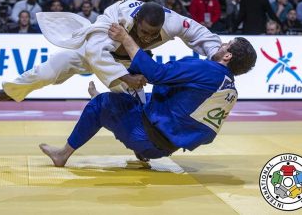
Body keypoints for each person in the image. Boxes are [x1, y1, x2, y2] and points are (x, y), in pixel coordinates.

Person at [39, 22, 257, 166]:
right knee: (144, 94)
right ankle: (140, 147)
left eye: (226, 44)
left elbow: (155, 73)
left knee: (101, 105)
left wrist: (126, 38)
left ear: (227, 56)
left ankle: (62, 155)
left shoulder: (207, 70)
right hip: (165, 148)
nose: (221, 43)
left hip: (145, 138)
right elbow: (200, 128)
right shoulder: (229, 89)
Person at [0, 0, 221, 104]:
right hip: (93, 53)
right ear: (136, 19)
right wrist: (126, 78)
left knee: (137, 105)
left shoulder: (173, 22)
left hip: (128, 63)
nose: (148, 37)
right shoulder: (116, 16)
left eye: (153, 33)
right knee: (48, 71)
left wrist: (216, 55)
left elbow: (201, 35)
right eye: (144, 31)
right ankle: (10, 92)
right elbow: (96, 54)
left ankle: (143, 146)